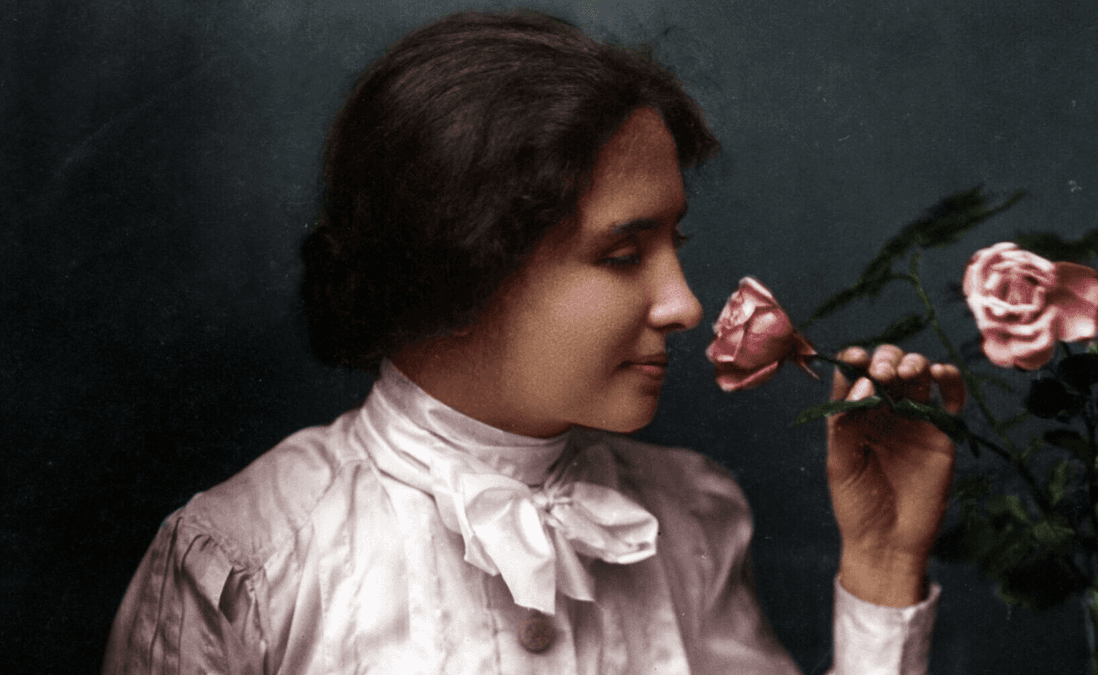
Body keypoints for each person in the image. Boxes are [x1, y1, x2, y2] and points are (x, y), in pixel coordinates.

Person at [103, 11, 965, 675]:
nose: (685, 304)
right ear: (468, 257)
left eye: (677, 246)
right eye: (623, 254)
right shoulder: (249, 559)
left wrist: (884, 563)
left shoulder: (692, 518)